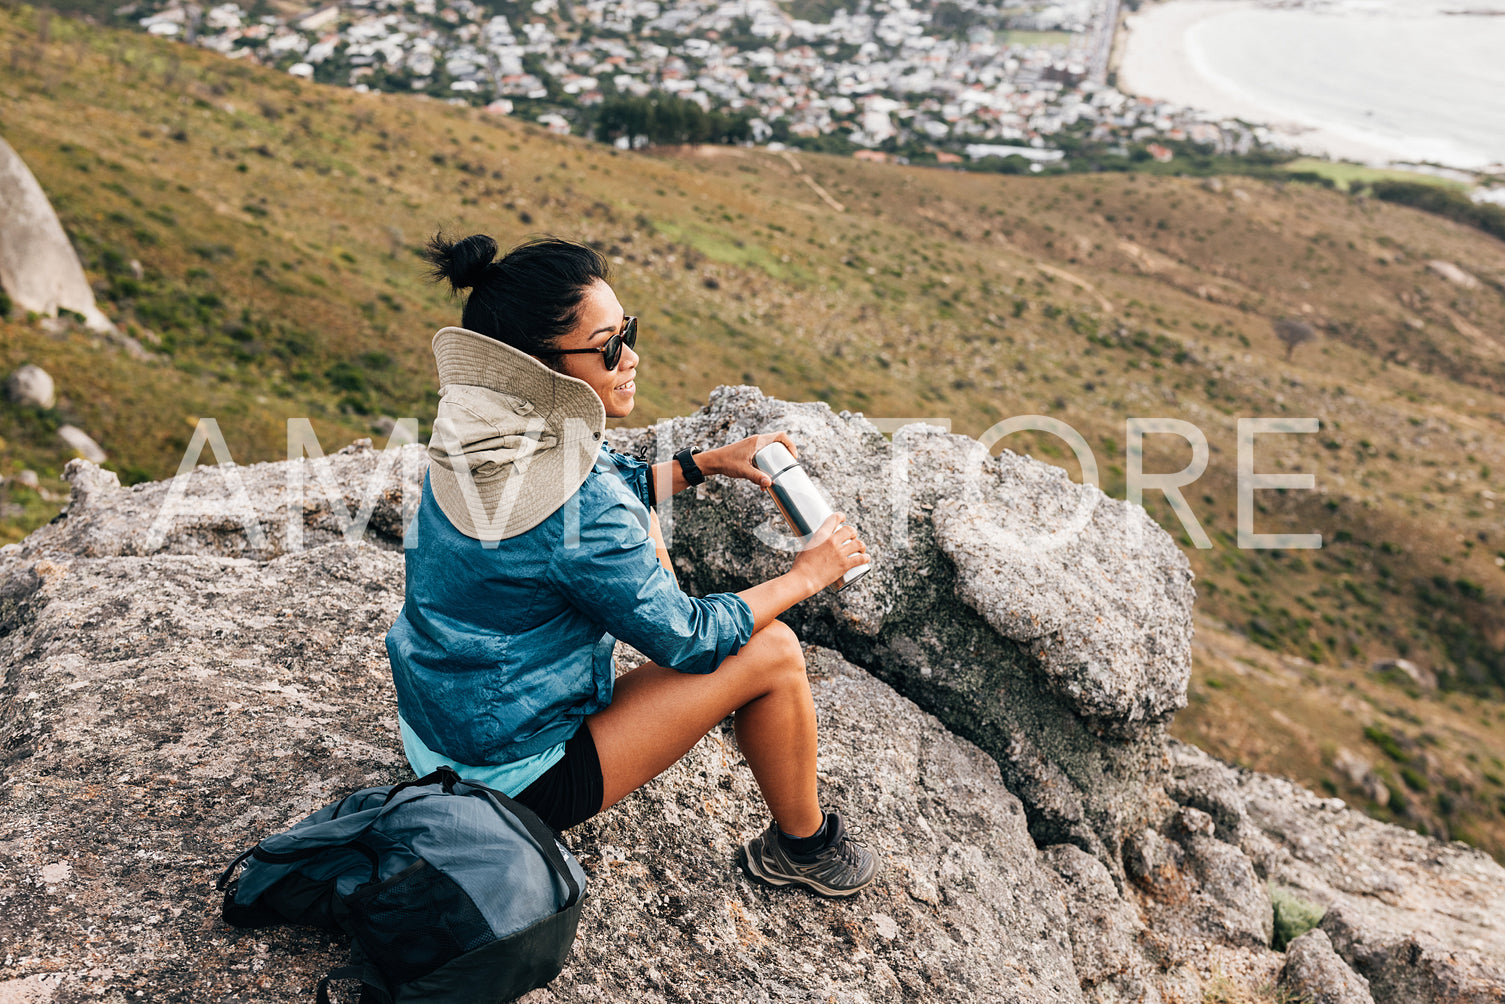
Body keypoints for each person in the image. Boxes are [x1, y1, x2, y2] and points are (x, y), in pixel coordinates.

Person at [385, 233, 879, 898]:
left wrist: (705, 463)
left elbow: (593, 487)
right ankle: (804, 849)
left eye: (628, 331)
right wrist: (807, 574)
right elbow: (688, 639)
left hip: (435, 735)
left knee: (642, 528)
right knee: (772, 650)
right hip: (507, 780)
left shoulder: (476, 431)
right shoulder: (578, 507)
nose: (631, 356)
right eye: (610, 345)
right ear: (543, 364)